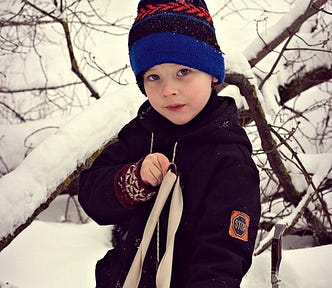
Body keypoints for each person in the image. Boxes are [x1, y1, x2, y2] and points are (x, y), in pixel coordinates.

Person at [78, 0, 261, 287]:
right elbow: (91, 196)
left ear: (212, 73)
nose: (169, 90)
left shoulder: (229, 158)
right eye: (154, 77)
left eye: (183, 72)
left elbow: (223, 259)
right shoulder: (140, 133)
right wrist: (134, 179)